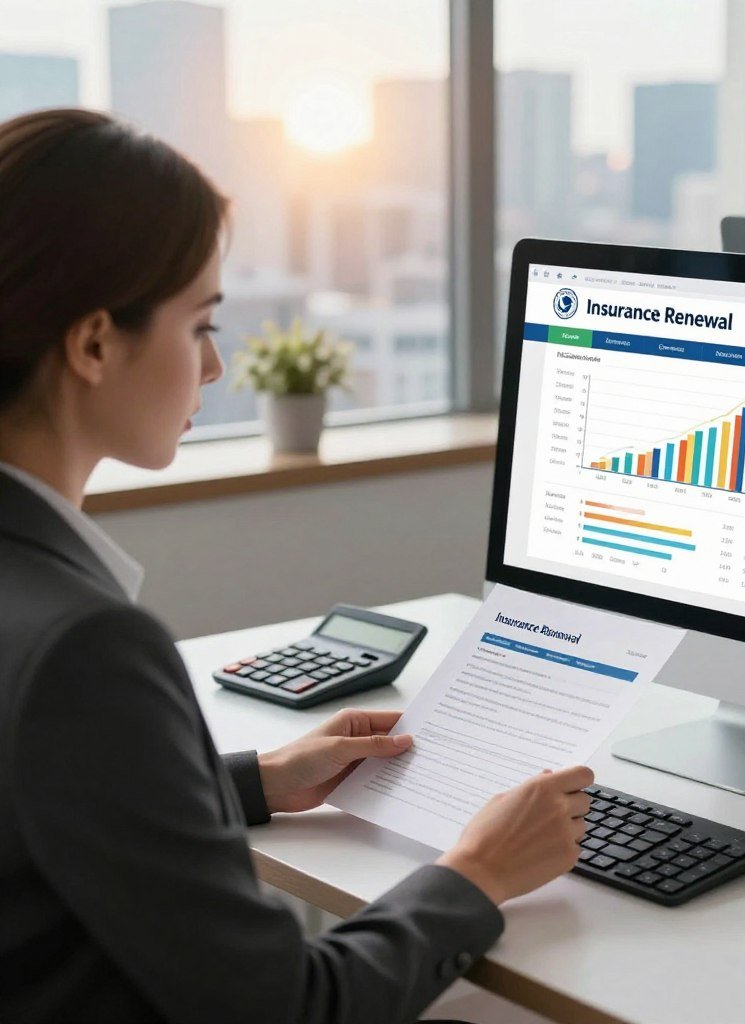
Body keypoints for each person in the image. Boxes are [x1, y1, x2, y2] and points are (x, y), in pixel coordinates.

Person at [0, 108, 593, 1024]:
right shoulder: (85, 647)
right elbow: (291, 1009)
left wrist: (255, 781)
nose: (215, 365)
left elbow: (41, 812)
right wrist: (476, 872)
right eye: (200, 324)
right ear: (92, 344)